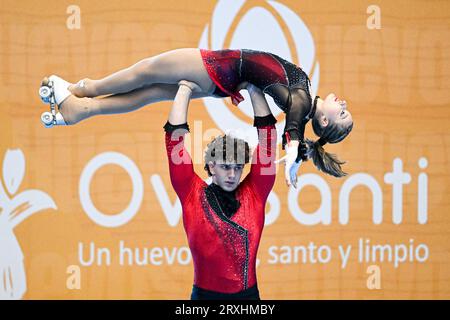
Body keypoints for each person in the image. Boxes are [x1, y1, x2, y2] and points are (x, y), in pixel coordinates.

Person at [40, 48, 353, 185]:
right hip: (221, 79)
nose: (343, 102)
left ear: (323, 122)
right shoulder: (304, 92)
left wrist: (295, 157)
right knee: (150, 92)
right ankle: (79, 110)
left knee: (146, 71)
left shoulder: (300, 100)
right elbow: (291, 133)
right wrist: (295, 151)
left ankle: (82, 89)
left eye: (342, 112)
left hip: (216, 66)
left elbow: (294, 131)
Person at [165, 81, 276, 299]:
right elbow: (173, 143)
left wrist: (254, 89)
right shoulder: (191, 193)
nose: (233, 175)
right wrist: (185, 89)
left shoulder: (254, 194)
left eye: (237, 167)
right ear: (211, 165)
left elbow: (268, 141)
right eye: (226, 167)